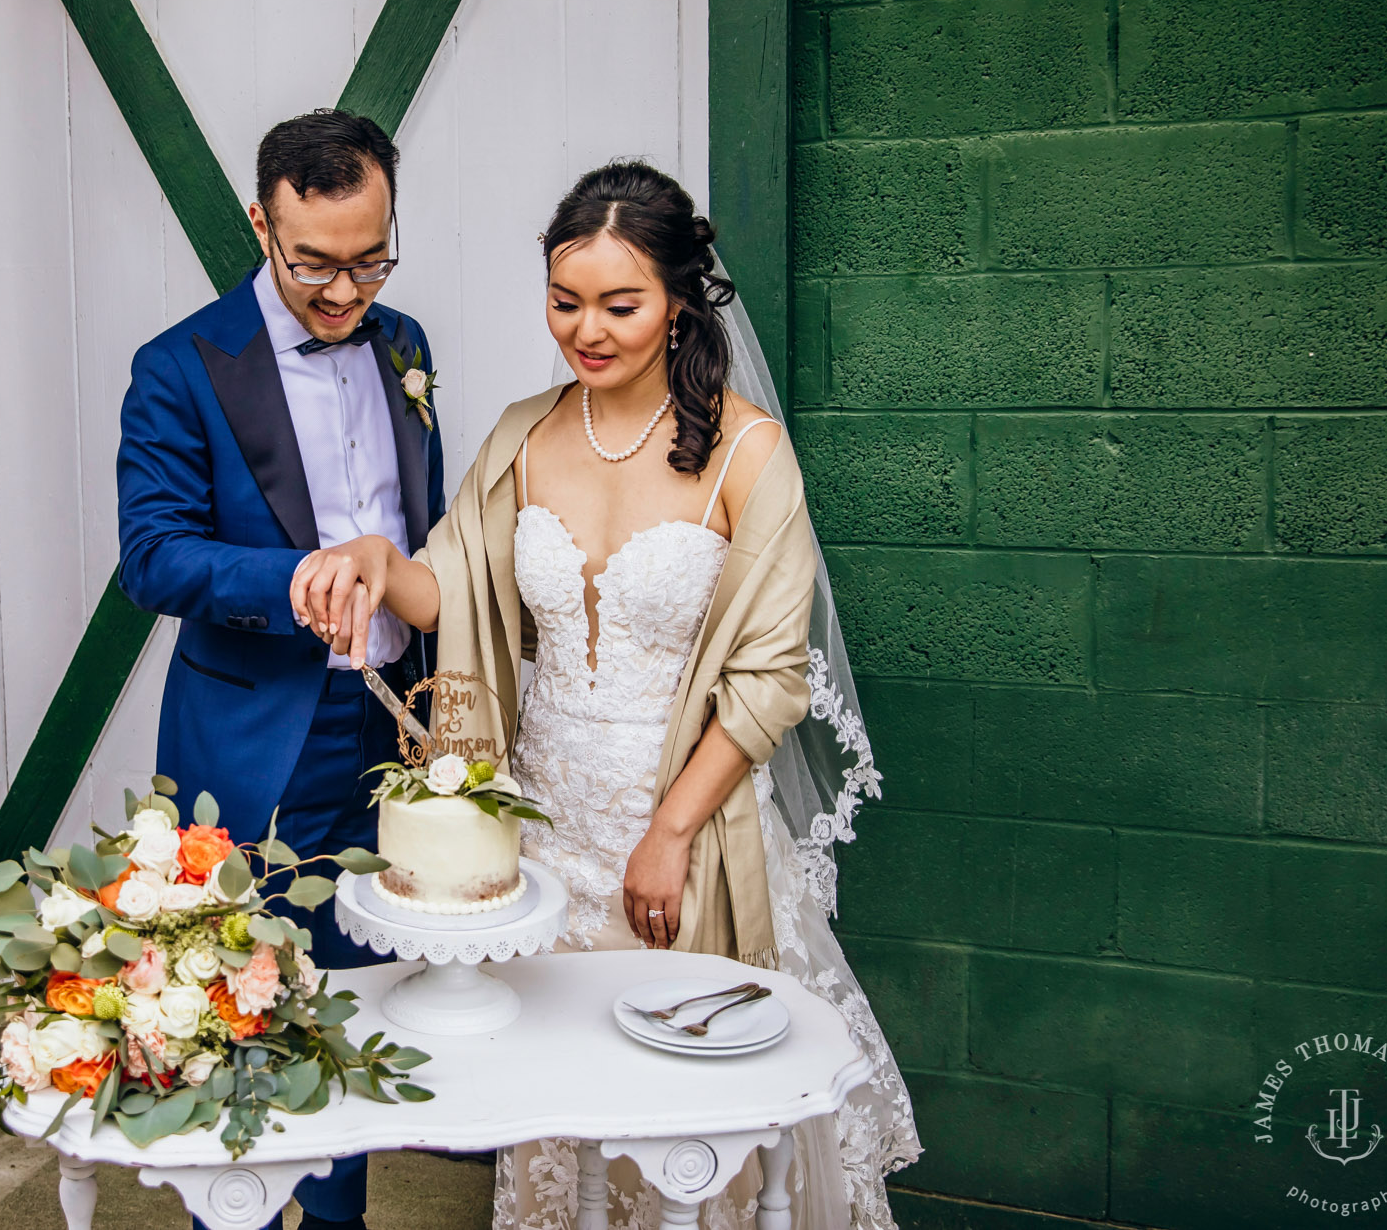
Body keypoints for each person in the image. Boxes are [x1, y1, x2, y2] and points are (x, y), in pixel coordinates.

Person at [290, 161, 921, 1229]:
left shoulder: (748, 453)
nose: (585, 330)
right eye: (563, 300)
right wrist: (367, 556)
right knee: (558, 1122)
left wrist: (668, 831)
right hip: (539, 839)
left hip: (685, 828)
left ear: (678, 298)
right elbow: (447, 587)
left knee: (684, 1118)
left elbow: (768, 681)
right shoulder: (524, 436)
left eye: (618, 304)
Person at [115, 109, 444, 1230]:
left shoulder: (406, 345)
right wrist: (289, 575)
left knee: (355, 1011)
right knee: (245, 1010)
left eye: (369, 259)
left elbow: (421, 523)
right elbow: (151, 555)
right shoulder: (178, 366)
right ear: (261, 223)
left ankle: (342, 1214)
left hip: (394, 739)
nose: (345, 293)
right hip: (259, 744)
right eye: (314, 265)